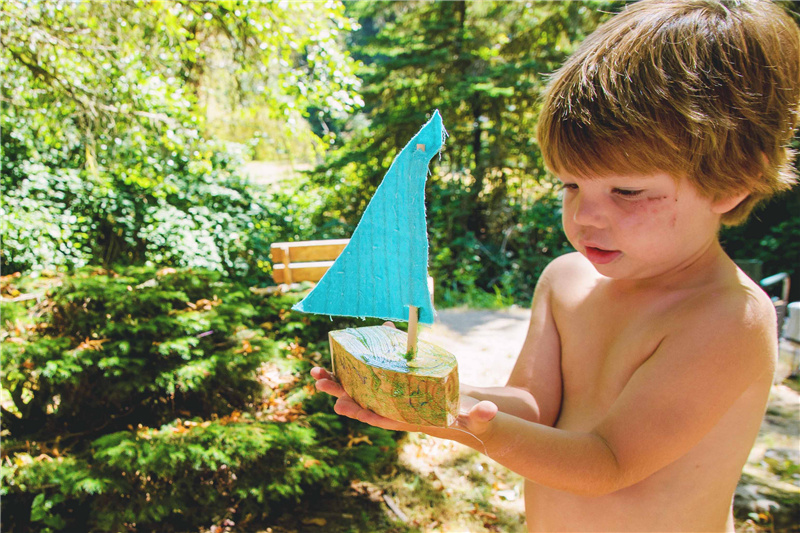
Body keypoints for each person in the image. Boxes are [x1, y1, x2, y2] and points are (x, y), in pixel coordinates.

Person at [312, 0, 800, 530]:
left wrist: (453, 419)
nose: (586, 215)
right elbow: (531, 406)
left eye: (628, 191)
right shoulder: (566, 282)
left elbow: (608, 462)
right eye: (570, 184)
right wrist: (435, 398)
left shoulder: (728, 318)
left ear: (731, 184)